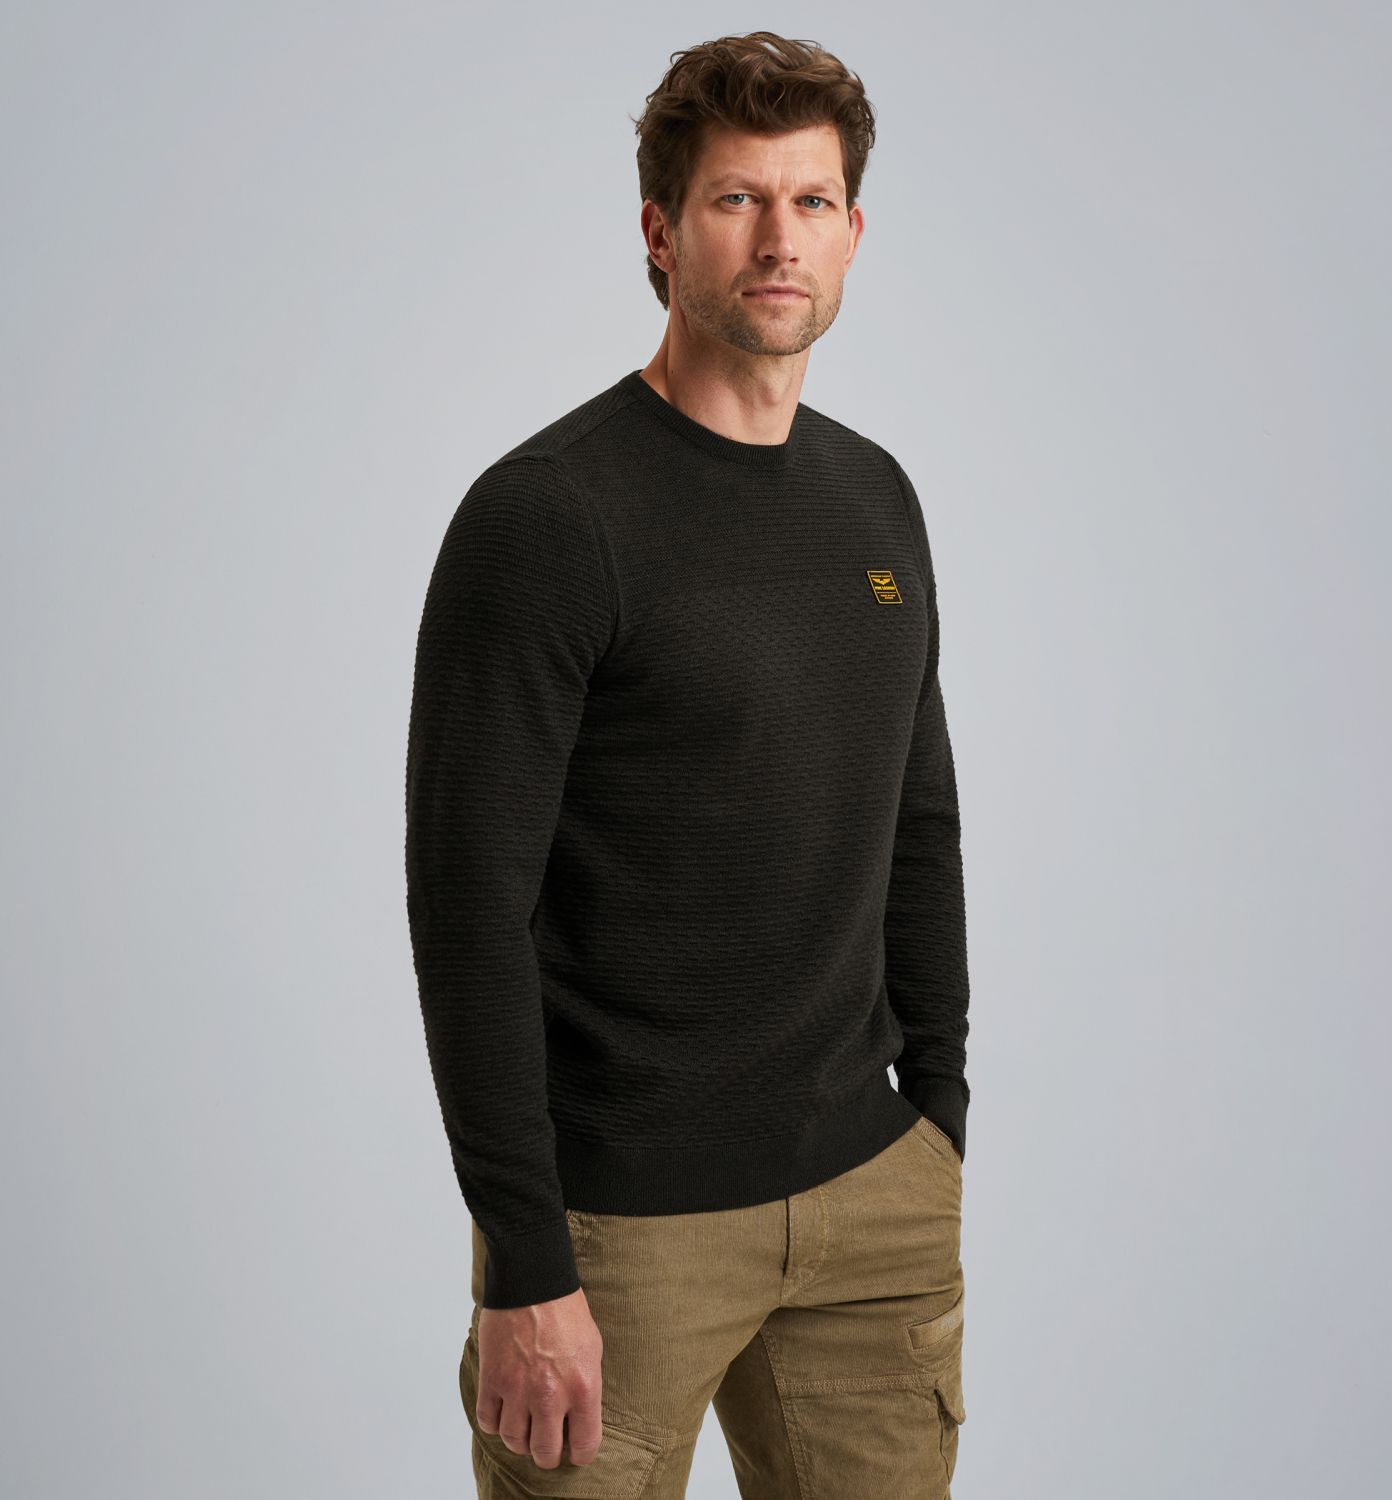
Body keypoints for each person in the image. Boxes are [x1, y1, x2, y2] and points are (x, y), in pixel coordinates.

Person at [405, 29, 971, 1498]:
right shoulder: (548, 519)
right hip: (620, 1240)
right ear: (661, 234)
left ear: (854, 234)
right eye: (737, 199)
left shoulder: (876, 498)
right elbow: (468, 911)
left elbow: (917, 823)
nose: (780, 238)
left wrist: (939, 1118)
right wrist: (525, 1262)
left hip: (874, 1203)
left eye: (811, 200)